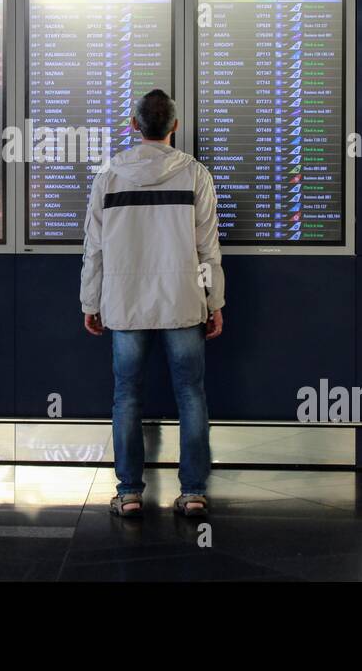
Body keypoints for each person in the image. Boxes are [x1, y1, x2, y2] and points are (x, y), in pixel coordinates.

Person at [80, 90, 224, 519]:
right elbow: (207, 248)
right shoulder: (195, 175)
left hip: (124, 304)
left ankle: (128, 493)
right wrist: (213, 300)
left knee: (127, 396)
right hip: (182, 301)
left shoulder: (108, 176)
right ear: (174, 127)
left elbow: (95, 248)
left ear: (133, 125)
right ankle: (193, 491)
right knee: (191, 395)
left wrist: (91, 300)